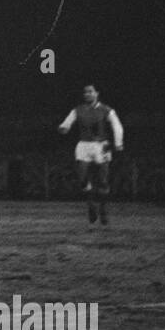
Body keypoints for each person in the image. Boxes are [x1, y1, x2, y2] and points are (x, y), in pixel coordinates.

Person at [57, 84, 124, 225]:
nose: (87, 94)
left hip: (102, 145)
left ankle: (103, 210)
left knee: (103, 180)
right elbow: (67, 122)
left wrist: (118, 143)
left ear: (97, 93)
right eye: (85, 92)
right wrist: (64, 127)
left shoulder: (106, 110)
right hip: (84, 145)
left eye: (90, 92)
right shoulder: (78, 110)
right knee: (82, 178)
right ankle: (91, 204)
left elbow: (117, 126)